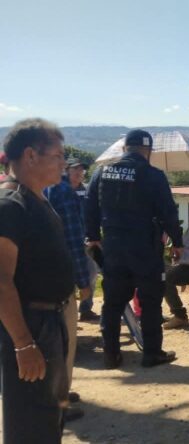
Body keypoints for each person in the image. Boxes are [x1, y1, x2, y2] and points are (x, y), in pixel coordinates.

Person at [0, 118, 73, 444]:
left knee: (48, 414)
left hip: (49, 321)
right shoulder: (10, 205)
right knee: (30, 421)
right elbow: (1, 281)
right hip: (32, 324)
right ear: (30, 156)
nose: (64, 163)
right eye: (57, 155)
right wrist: (23, 343)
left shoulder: (37, 199)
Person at [85, 129, 183, 368]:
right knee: (150, 301)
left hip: (113, 247)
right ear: (147, 151)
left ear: (124, 148)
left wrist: (93, 236)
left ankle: (111, 355)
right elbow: (168, 212)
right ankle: (151, 354)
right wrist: (177, 242)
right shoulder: (153, 175)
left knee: (113, 302)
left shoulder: (101, 172)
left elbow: (89, 206)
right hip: (144, 249)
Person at [44, 156, 94, 422]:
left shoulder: (37, 189)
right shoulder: (63, 192)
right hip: (61, 276)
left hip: (41, 276)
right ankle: (58, 402)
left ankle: (57, 392)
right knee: (66, 340)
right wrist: (84, 281)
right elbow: (74, 239)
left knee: (51, 340)